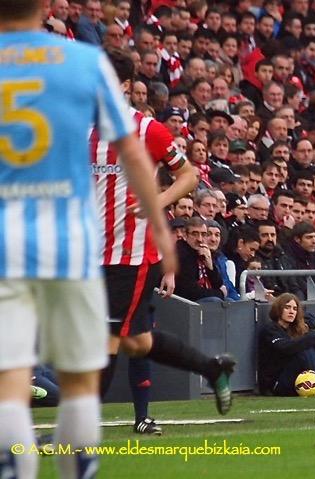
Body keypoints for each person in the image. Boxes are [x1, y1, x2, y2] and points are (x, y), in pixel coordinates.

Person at [0, 3, 175, 478]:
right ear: (43, 8)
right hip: (71, 239)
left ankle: (13, 465)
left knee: (11, 371)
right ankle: (77, 466)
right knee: (81, 373)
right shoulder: (82, 63)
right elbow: (134, 152)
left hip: (6, 239)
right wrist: (159, 224)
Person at [93, 50, 235, 438]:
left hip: (131, 254)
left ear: (123, 86)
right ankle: (211, 367)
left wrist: (158, 200)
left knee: (102, 338)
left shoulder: (147, 130)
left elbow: (188, 175)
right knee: (137, 341)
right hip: (89, 253)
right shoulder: (79, 130)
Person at [257, 293, 315, 396]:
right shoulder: (270, 329)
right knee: (303, 348)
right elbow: (286, 347)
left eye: (295, 309)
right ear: (278, 309)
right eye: (287, 308)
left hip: (298, 377)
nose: (291, 311)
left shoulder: (296, 328)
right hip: (276, 382)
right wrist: (311, 338)